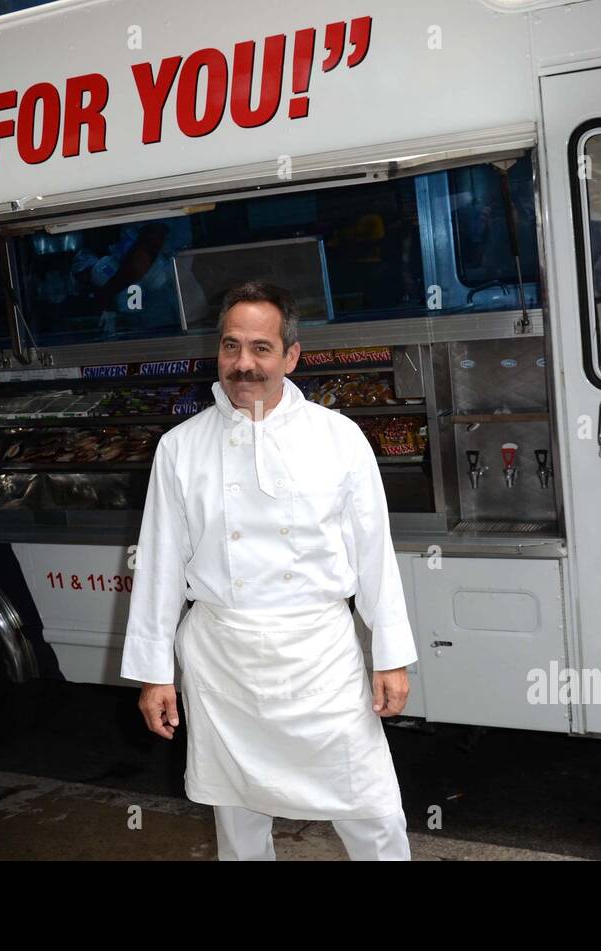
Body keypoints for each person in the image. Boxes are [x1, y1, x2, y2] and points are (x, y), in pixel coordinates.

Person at [121, 281, 417, 861]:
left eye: (261, 348)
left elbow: (374, 555)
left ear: (291, 356)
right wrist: (155, 674)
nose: (244, 364)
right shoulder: (180, 447)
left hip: (320, 658)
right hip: (223, 659)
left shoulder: (340, 439)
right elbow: (157, 564)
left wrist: (391, 655)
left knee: (373, 810)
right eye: (232, 347)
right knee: (238, 820)